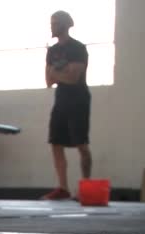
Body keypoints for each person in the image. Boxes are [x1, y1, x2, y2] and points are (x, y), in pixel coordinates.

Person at [41, 10, 92, 201]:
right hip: (61, 99)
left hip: (79, 100)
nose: (52, 27)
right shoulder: (52, 51)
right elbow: (48, 80)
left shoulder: (78, 48)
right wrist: (58, 74)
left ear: (64, 25)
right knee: (55, 143)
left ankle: (85, 187)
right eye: (51, 23)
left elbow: (73, 78)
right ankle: (63, 188)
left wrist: (56, 73)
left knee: (82, 145)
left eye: (55, 23)